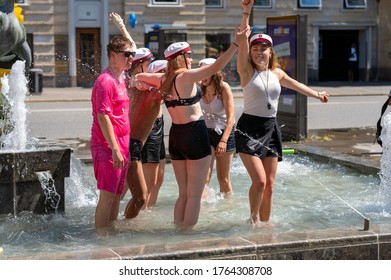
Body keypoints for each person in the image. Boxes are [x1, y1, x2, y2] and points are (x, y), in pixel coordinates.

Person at [133, 26, 251, 230]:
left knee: (183, 193)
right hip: (195, 134)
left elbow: (137, 79)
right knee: (195, 194)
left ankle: (179, 228)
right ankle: (187, 235)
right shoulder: (185, 77)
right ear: (182, 58)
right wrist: (235, 44)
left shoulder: (163, 79)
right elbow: (216, 67)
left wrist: (139, 85)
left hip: (176, 136)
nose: (191, 59)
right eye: (189, 55)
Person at [238, 0, 329, 226]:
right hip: (249, 129)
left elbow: (297, 85)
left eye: (264, 48)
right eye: (255, 49)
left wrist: (317, 94)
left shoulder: (277, 73)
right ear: (251, 53)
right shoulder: (246, 71)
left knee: (269, 184)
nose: (259, 52)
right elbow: (241, 40)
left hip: (271, 129)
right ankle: (252, 220)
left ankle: (265, 224)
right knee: (258, 181)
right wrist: (246, 13)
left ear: (270, 52)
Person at [110, 13, 163, 218]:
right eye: (148, 61)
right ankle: (125, 211)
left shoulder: (147, 77)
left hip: (156, 126)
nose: (152, 63)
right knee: (138, 183)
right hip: (139, 134)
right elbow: (130, 48)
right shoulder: (131, 81)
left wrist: (122, 26)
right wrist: (121, 26)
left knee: (157, 180)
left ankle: (144, 213)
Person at [90, 35, 134, 231]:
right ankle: (101, 239)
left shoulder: (121, 78)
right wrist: (116, 149)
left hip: (121, 147)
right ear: (114, 55)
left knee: (117, 196)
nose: (131, 58)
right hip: (107, 147)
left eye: (132, 54)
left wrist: (125, 150)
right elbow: (103, 117)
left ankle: (111, 232)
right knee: (107, 197)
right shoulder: (105, 81)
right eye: (127, 54)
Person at [198, 58, 235, 196]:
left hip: (224, 133)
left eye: (205, 72)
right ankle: (201, 211)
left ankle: (227, 208)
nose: (202, 76)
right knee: (204, 178)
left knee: (223, 179)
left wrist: (224, 141)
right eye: (200, 72)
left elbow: (231, 118)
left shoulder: (224, 88)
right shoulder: (198, 87)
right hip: (206, 133)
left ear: (214, 73)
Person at [143, 60, 168, 208]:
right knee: (149, 183)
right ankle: (140, 212)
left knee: (159, 179)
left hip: (159, 130)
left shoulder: (159, 89)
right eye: (165, 72)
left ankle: (149, 209)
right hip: (150, 131)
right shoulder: (149, 89)